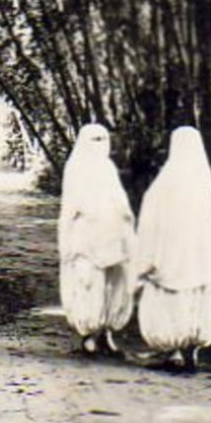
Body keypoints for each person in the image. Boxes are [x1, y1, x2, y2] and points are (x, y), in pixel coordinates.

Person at [133, 126, 211, 372]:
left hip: (171, 257)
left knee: (171, 296)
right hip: (200, 258)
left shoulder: (166, 182)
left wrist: (147, 257)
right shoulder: (202, 179)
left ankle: (174, 350)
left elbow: (150, 216)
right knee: (197, 298)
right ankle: (192, 349)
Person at [57, 123, 138, 356]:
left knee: (113, 285)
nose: (100, 145)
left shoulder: (108, 168)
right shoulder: (75, 168)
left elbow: (120, 201)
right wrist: (66, 240)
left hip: (112, 237)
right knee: (87, 283)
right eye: (94, 139)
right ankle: (88, 335)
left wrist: (126, 227)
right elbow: (69, 207)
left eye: (103, 139)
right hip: (85, 238)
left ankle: (107, 333)